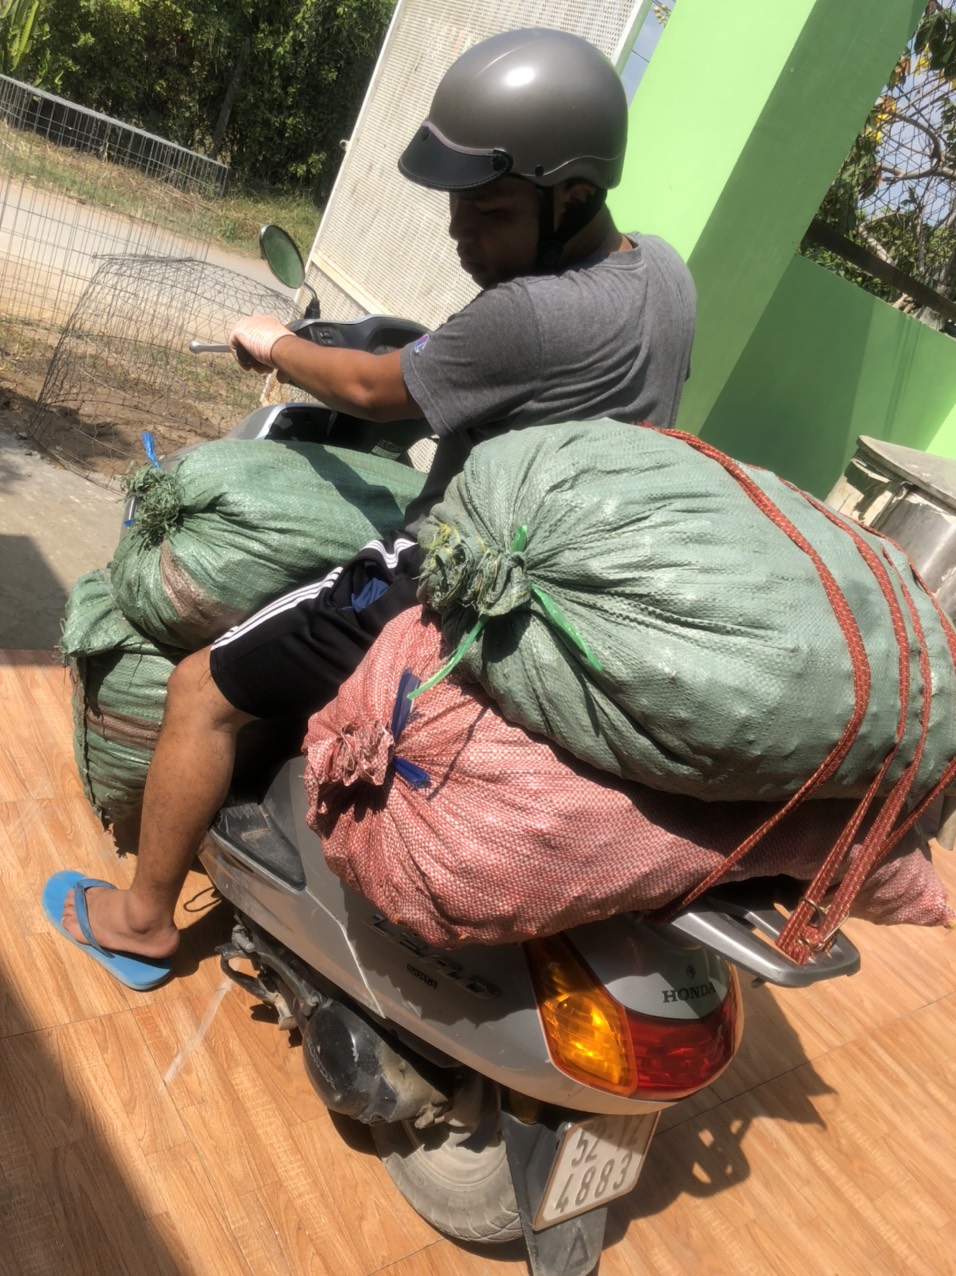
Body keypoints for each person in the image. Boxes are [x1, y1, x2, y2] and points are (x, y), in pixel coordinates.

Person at [49, 27, 696, 984]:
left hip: (446, 581)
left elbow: (366, 389)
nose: (460, 233)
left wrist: (274, 344)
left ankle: (143, 920)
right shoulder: (664, 275)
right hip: (566, 589)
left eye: (489, 211)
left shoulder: (527, 314)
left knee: (199, 690)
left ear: (573, 197)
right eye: (456, 207)